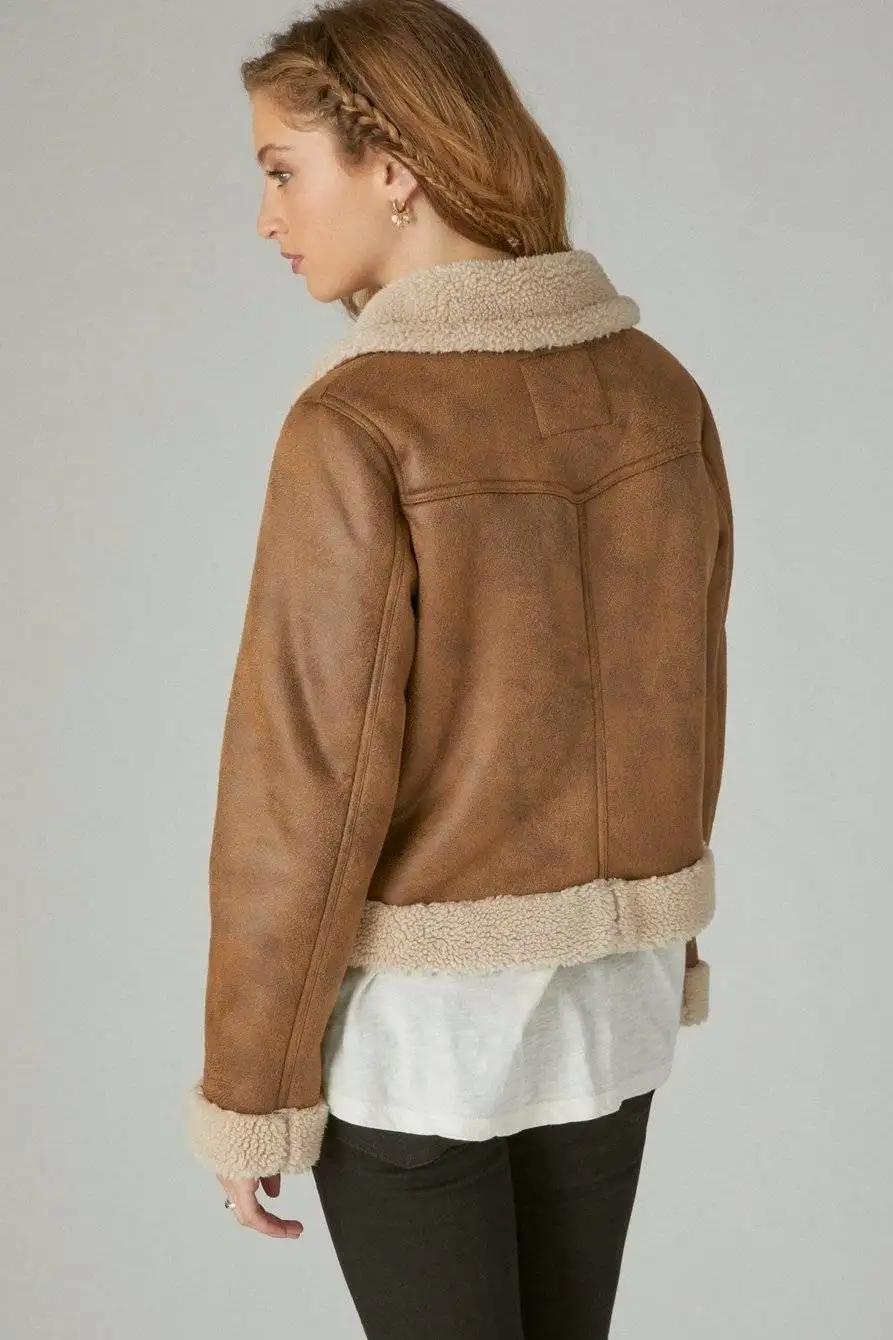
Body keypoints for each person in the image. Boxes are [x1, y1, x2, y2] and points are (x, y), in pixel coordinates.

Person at [186, 2, 734, 1337]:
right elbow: (688, 696)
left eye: (282, 170)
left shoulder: (359, 421)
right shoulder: (656, 388)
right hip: (609, 1011)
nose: (266, 217)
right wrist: (666, 933)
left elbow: (304, 786)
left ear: (392, 166)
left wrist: (253, 1088)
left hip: (424, 1045)